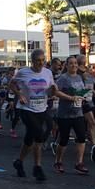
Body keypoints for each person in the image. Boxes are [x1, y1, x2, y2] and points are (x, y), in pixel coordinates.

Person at [11, 49, 56, 181]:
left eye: (43, 60)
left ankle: (19, 161)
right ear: (32, 61)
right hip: (26, 109)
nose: (40, 63)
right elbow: (11, 84)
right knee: (38, 134)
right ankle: (37, 167)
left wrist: (53, 91)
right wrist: (19, 94)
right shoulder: (23, 72)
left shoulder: (48, 72)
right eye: (38, 61)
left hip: (42, 108)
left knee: (30, 138)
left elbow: (51, 89)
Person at [53, 56, 90, 174]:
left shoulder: (79, 77)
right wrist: (71, 98)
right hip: (65, 114)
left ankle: (79, 163)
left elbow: (81, 91)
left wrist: (84, 95)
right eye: (71, 63)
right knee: (64, 139)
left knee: (81, 137)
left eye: (75, 63)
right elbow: (55, 91)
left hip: (78, 112)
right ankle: (58, 161)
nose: (74, 65)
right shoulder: (63, 78)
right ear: (67, 66)